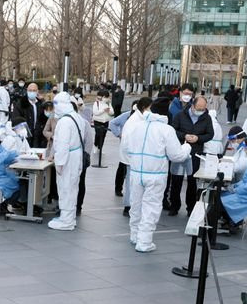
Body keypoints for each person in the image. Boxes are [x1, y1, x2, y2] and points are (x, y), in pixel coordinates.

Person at [124, 98, 191, 252]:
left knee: (136, 205)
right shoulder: (166, 129)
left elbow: (126, 147)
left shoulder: (137, 126)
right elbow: (176, 156)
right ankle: (144, 242)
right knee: (151, 207)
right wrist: (187, 148)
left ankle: (134, 235)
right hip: (155, 174)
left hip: (136, 172)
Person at [170, 95, 215, 216]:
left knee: (192, 181)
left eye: (203, 108)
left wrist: (198, 138)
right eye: (198, 108)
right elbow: (173, 130)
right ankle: (174, 206)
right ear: (193, 105)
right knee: (176, 180)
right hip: (180, 150)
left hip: (196, 152)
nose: (201, 110)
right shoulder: (180, 115)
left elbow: (210, 134)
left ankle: (191, 207)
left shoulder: (207, 118)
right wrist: (184, 136)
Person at [47, 92, 84, 230]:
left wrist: (59, 164)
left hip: (68, 158)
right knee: (72, 188)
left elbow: (62, 145)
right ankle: (69, 217)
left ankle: (66, 220)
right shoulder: (76, 117)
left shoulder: (64, 121)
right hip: (75, 156)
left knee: (65, 188)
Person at [12, 82, 44, 146]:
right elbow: (16, 119)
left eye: (34, 90)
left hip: (37, 136)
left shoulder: (40, 103)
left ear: (37, 91)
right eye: (30, 90)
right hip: (25, 136)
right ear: (27, 91)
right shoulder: (21, 103)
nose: (32, 92)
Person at [92, 89, 114, 162]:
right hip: (98, 121)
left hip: (105, 121)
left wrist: (109, 111)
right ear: (103, 96)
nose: (107, 98)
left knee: (103, 135)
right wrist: (103, 110)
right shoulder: (97, 103)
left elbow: (112, 113)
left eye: (107, 97)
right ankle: (95, 146)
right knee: (98, 134)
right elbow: (95, 112)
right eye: (106, 97)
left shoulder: (108, 104)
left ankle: (100, 148)